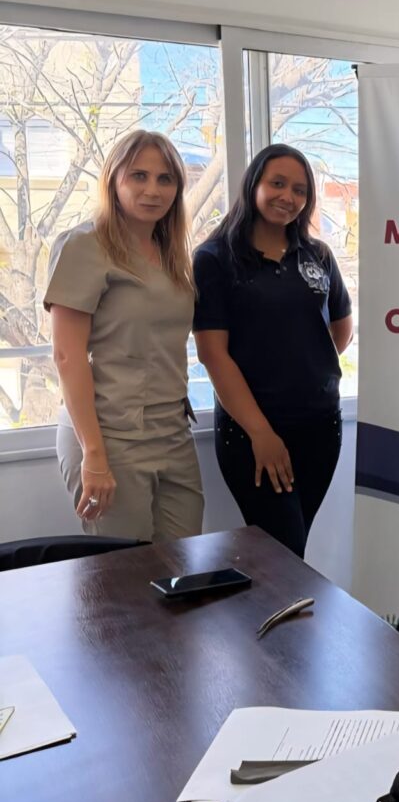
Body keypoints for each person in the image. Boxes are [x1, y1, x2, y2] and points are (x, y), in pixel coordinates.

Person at [193, 144, 353, 558]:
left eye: (299, 189)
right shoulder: (215, 259)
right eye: (277, 183)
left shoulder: (317, 255)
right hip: (253, 433)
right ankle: (275, 622)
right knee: (283, 550)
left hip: (321, 428)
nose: (289, 197)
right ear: (253, 186)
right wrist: (262, 433)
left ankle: (270, 621)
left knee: (288, 556)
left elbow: (340, 326)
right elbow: (213, 355)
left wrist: (303, 365)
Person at [46, 130, 203, 542]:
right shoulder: (84, 246)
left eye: (165, 179)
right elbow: (67, 356)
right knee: (124, 585)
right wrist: (94, 456)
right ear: (114, 179)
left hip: (172, 433)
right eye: (139, 176)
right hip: (109, 436)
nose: (152, 189)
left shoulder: (171, 254)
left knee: (182, 573)